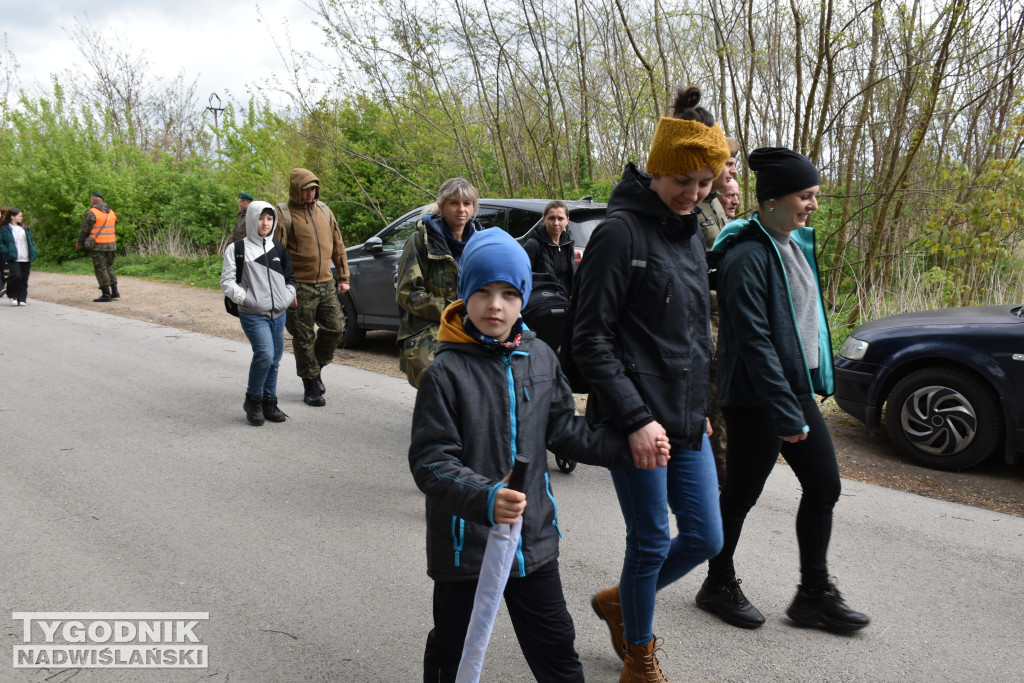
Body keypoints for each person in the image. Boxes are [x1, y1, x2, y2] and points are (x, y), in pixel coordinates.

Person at [408, 227, 670, 683]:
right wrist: (487, 498)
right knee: (455, 649)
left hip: (532, 543)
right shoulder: (444, 373)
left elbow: (565, 429)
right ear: (464, 293)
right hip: (465, 547)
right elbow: (431, 461)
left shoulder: (541, 357)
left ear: (523, 297)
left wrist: (627, 447)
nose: (496, 305)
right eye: (483, 292)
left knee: (557, 651)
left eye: (509, 293)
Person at [575, 85, 728, 681]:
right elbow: (591, 340)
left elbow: (693, 334)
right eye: (682, 180)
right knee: (650, 540)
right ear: (659, 168)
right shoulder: (620, 233)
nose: (693, 194)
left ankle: (619, 600)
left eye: (705, 183)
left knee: (706, 537)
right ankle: (639, 657)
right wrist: (637, 420)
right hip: (635, 419)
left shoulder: (690, 232)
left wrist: (702, 405)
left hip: (686, 419)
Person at [697, 147, 870, 633]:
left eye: (814, 195)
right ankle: (717, 582)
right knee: (741, 494)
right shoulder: (747, 255)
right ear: (772, 199)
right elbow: (754, 342)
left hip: (789, 392)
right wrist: (784, 411)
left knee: (824, 487)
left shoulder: (790, 244)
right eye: (806, 195)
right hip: (758, 397)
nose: (813, 204)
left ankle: (813, 594)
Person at [396, 177, 485, 388]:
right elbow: (407, 292)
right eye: (454, 203)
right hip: (429, 325)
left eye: (467, 203)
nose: (461, 209)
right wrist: (452, 310)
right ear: (442, 206)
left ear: (473, 208)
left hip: (475, 321)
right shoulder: (420, 240)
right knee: (436, 378)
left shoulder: (483, 242)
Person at [274, 168, 349, 407]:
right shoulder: (283, 213)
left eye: (313, 188)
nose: (310, 193)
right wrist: (286, 289)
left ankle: (315, 369)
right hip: (299, 285)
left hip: (326, 282)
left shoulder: (324, 210)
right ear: (297, 190)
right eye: (306, 189)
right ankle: (310, 384)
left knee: (336, 329)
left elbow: (338, 243)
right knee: (303, 336)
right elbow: (277, 254)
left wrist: (343, 276)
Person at [221, 201, 296, 426]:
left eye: (269, 218)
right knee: (264, 354)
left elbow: (290, 278)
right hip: (253, 313)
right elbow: (227, 282)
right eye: (261, 218)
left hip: (278, 313)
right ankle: (253, 401)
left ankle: (269, 403)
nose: (265, 223)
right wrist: (247, 300)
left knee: (274, 360)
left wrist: (288, 295)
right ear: (253, 219)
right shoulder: (238, 249)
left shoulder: (279, 249)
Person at [696, 136, 740, 483]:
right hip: (706, 321)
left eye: (734, 162)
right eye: (727, 162)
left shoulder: (716, 207)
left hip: (725, 317)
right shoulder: (696, 210)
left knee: (724, 395)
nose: (733, 167)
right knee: (713, 398)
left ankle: (723, 462)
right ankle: (717, 465)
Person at [520, 200, 574, 297]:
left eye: (560, 218)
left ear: (567, 220)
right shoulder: (533, 244)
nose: (556, 223)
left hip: (565, 302)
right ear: (544, 219)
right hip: (543, 303)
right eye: (551, 218)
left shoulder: (568, 244)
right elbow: (522, 277)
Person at [76, 192, 119, 302]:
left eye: (91, 199)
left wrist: (80, 242)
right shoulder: (111, 212)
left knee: (100, 269)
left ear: (94, 200)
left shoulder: (92, 213)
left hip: (98, 245)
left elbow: (84, 229)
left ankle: (106, 294)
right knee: (109, 267)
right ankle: (115, 291)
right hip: (111, 244)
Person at [0, 208, 37, 306]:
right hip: (13, 257)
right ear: (12, 217)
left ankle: (22, 298)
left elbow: (30, 241)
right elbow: (1, 242)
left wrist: (33, 250)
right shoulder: (5, 229)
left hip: (25, 256)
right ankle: (12, 294)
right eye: (19, 216)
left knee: (24, 278)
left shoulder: (24, 228)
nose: (21, 218)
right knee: (16, 276)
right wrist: (6, 251)